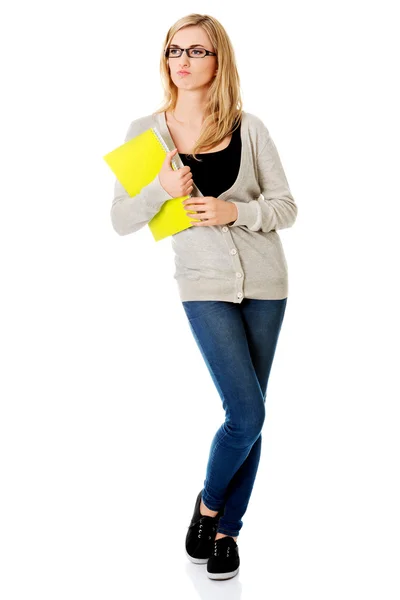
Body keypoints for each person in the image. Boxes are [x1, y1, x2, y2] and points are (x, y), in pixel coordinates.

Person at [110, 13, 297, 580]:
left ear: (219, 61)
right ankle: (211, 506)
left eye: (196, 51)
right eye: (174, 50)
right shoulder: (146, 132)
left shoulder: (250, 126)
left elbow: (287, 206)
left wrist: (234, 210)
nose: (182, 61)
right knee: (246, 411)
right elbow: (120, 220)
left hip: (267, 284)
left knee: (253, 415)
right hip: (203, 287)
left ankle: (223, 531)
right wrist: (159, 190)